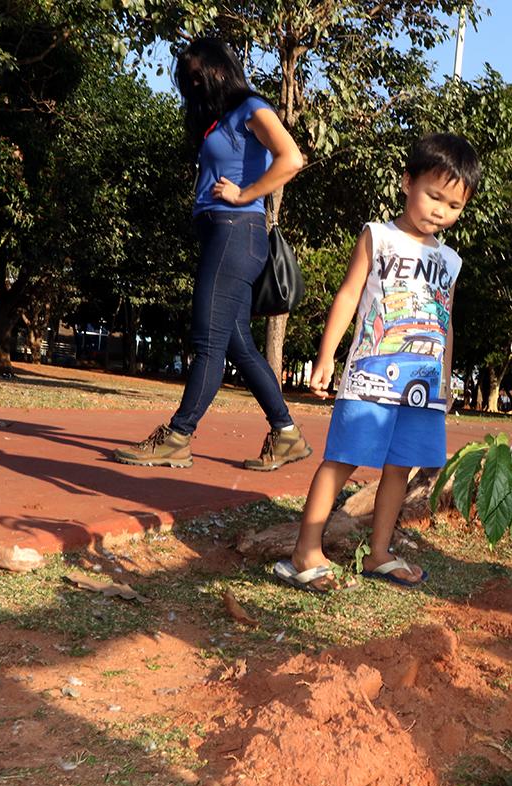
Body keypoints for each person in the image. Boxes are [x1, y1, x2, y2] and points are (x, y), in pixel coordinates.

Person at [274, 133, 481, 591]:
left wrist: (445, 382)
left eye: (453, 205)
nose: (439, 211)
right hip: (372, 377)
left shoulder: (451, 261)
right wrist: (325, 355)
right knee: (342, 460)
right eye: (433, 195)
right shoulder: (378, 235)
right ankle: (306, 549)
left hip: (423, 387)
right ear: (407, 182)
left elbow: (444, 322)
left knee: (400, 469)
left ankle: (380, 552)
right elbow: (349, 295)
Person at [113, 37, 312, 471]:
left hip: (235, 232)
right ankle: (287, 435)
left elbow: (291, 158)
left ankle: (179, 436)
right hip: (222, 234)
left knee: (206, 340)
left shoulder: (250, 107)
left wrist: (245, 195)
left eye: (203, 72)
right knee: (239, 344)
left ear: (225, 67)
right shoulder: (218, 119)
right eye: (190, 77)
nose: (197, 81)